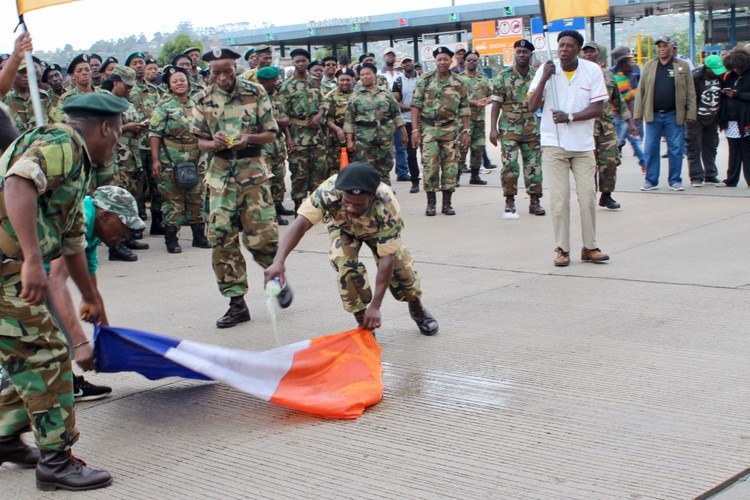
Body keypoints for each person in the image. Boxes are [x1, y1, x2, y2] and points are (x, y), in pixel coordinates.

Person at [0, 92, 127, 491]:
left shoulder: (80, 167)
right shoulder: (62, 143)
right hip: (7, 268)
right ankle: (56, 460)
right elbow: (19, 180)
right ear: (105, 127)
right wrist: (33, 261)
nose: (120, 140)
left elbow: (72, 244)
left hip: (9, 267)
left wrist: (92, 298)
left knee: (29, 357)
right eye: (119, 131)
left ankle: (4, 437)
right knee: (49, 355)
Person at [264, 162, 438, 335]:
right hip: (343, 228)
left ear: (371, 196)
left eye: (358, 205)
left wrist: (376, 305)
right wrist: (278, 262)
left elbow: (387, 257)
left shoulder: (387, 205)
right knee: (345, 267)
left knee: (402, 271)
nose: (350, 208)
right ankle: (364, 322)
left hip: (377, 231)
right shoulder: (329, 191)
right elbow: (301, 223)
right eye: (347, 203)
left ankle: (415, 306)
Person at [191, 47, 292, 328]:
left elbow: (271, 134)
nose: (222, 77)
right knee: (221, 237)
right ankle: (236, 303)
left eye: (226, 71)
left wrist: (250, 138)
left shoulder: (255, 92)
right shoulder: (202, 99)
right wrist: (215, 143)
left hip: (252, 173)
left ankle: (276, 281)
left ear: (235, 68)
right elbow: (200, 141)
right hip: (221, 175)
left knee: (262, 236)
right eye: (216, 73)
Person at [46, 185, 143, 402]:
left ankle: (65, 382)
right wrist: (80, 344)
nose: (127, 233)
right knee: (42, 334)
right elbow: (56, 281)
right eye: (125, 224)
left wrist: (109, 338)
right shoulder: (80, 217)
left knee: (53, 334)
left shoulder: (94, 232)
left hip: (33, 272)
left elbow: (92, 291)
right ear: (105, 215)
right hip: (15, 267)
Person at [528, 31, 609, 267]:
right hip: (554, 144)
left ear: (578, 50)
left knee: (587, 198)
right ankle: (562, 249)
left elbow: (598, 108)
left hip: (583, 146)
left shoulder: (592, 70)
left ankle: (590, 247)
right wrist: (543, 78)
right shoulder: (547, 68)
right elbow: (532, 106)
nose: (563, 49)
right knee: (560, 199)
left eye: (569, 46)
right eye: (561, 45)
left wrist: (570, 116)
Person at [149, 66, 211, 253]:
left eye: (182, 80)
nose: (179, 83)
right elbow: (154, 133)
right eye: (175, 81)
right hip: (171, 160)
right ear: (169, 85)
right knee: (173, 200)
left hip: (197, 158)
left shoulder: (197, 103)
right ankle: (172, 240)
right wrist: (155, 160)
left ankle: (199, 237)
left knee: (197, 198)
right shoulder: (164, 106)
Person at [411, 46, 470, 216]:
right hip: (429, 128)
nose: (442, 62)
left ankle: (447, 203)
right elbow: (416, 105)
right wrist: (415, 130)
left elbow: (464, 108)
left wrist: (466, 131)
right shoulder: (425, 79)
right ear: (435, 61)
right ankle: (431, 203)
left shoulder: (459, 82)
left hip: (450, 128)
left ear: (450, 60)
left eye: (445, 59)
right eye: (439, 59)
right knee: (430, 165)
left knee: (450, 166)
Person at [490, 39, 545, 218]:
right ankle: (510, 201)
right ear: (515, 53)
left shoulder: (538, 76)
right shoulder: (503, 76)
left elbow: (544, 101)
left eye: (525, 52)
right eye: (519, 52)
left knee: (534, 166)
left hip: (531, 128)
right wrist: (493, 128)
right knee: (510, 166)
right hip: (509, 129)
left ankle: (535, 201)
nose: (521, 55)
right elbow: (496, 104)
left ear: (530, 55)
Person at [634, 36, 696, 191]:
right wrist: (638, 112)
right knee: (651, 148)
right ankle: (651, 180)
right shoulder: (649, 65)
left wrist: (691, 113)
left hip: (674, 114)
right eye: (659, 46)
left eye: (664, 46)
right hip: (653, 114)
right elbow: (640, 90)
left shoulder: (682, 66)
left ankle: (675, 180)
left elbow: (690, 90)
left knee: (676, 148)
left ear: (671, 47)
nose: (662, 49)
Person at [581, 42, 638, 210]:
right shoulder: (577, 75)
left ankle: (606, 195)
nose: (589, 54)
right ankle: (588, 196)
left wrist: (630, 123)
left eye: (592, 51)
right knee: (587, 164)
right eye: (586, 52)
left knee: (610, 162)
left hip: (606, 128)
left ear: (599, 54)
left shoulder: (607, 75)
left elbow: (619, 102)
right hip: (586, 128)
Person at [105, 65, 150, 261]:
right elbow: (103, 130)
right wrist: (127, 127)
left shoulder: (128, 103)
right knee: (117, 201)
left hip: (133, 156)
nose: (130, 89)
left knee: (132, 197)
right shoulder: (106, 103)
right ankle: (115, 245)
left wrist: (140, 126)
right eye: (126, 85)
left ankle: (128, 236)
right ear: (116, 82)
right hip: (117, 157)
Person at [277, 48, 326, 213]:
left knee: (319, 171)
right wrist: (288, 138)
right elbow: (283, 116)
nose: (300, 64)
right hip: (297, 137)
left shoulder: (315, 82)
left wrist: (319, 116)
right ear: (293, 63)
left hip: (316, 135)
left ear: (307, 62)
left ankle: (317, 206)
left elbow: (323, 103)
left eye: (303, 61)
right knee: (299, 173)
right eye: (297, 61)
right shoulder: (286, 87)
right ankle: (299, 205)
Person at [344, 62, 407, 185]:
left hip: (384, 135)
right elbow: (349, 119)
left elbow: (396, 114)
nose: (365, 77)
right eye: (362, 75)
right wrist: (350, 140)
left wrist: (404, 133)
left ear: (374, 75)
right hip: (363, 138)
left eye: (368, 74)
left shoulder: (385, 93)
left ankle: (385, 192)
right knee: (365, 168)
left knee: (385, 166)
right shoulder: (355, 96)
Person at [255, 66, 295, 225]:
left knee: (279, 176)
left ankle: (278, 205)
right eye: (274, 80)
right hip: (264, 143)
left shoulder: (277, 96)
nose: (277, 82)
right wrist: (276, 121)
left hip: (278, 141)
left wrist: (288, 138)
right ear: (264, 81)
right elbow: (258, 121)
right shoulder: (256, 98)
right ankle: (270, 212)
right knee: (267, 178)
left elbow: (286, 120)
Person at [686, 55, 726, 187]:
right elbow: (689, 97)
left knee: (711, 145)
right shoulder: (695, 77)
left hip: (713, 116)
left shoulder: (720, 76)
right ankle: (696, 176)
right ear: (707, 68)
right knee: (694, 146)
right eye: (714, 70)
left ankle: (711, 174)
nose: (717, 73)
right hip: (696, 117)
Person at [457, 49, 491, 187]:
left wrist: (487, 100)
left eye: (474, 60)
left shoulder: (484, 79)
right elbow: (457, 98)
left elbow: (494, 94)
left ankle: (475, 175)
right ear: (465, 62)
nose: (471, 62)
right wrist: (474, 102)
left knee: (478, 148)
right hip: (464, 120)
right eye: (469, 60)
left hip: (479, 120)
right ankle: (456, 177)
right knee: (462, 148)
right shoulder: (459, 79)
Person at [610, 47, 647, 173]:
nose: (632, 65)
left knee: (633, 141)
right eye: (629, 62)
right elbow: (625, 99)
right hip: (619, 116)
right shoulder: (619, 78)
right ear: (623, 64)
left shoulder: (624, 76)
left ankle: (644, 162)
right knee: (615, 143)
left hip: (624, 116)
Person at [718, 48, 750, 187]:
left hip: (746, 119)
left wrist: (738, 94)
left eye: (738, 68)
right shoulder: (730, 76)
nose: (736, 70)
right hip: (731, 120)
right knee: (733, 151)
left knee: (747, 151)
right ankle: (731, 179)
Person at [391, 56, 421, 193]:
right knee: (411, 152)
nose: (407, 64)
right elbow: (396, 103)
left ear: (413, 62)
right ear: (401, 65)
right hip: (407, 121)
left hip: (424, 121)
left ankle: (431, 179)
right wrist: (412, 108)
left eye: (409, 61)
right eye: (404, 63)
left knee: (428, 152)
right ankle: (415, 181)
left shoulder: (422, 79)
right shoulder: (398, 82)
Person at [3, 58, 52, 133]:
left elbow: (53, 124)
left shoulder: (42, 96)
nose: (26, 75)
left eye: (28, 71)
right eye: (22, 72)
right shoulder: (4, 99)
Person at [322, 67, 355, 177]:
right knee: (335, 168)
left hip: (355, 136)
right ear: (337, 80)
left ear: (352, 80)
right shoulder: (331, 96)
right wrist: (337, 129)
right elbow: (327, 118)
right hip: (335, 138)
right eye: (342, 80)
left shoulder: (357, 95)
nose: (345, 83)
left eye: (348, 80)